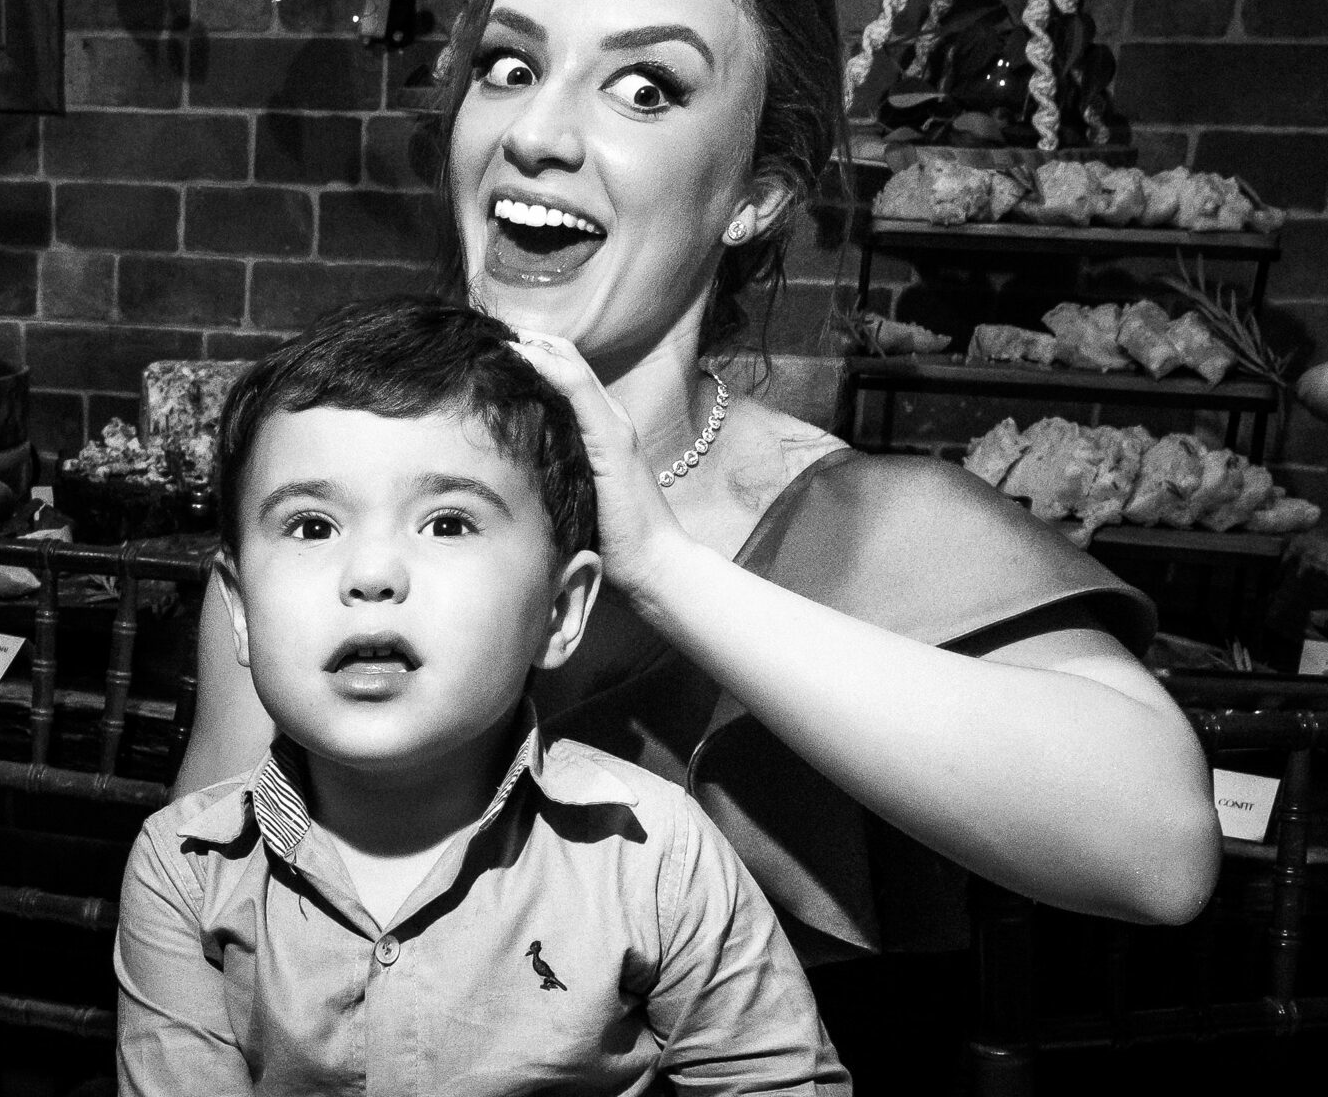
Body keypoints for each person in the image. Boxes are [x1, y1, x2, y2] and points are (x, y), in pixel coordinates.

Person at [174, 0, 1221, 1076]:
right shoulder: (329, 513)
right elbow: (208, 946)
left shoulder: (868, 529)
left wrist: (667, 569)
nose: (536, 132)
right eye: (511, 66)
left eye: (645, 88)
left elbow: (1160, 851)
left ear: (758, 193)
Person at [117, 298, 850, 1095]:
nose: (371, 574)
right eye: (312, 527)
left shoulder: (654, 856)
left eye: (448, 524)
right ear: (239, 611)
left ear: (560, 611)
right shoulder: (185, 869)